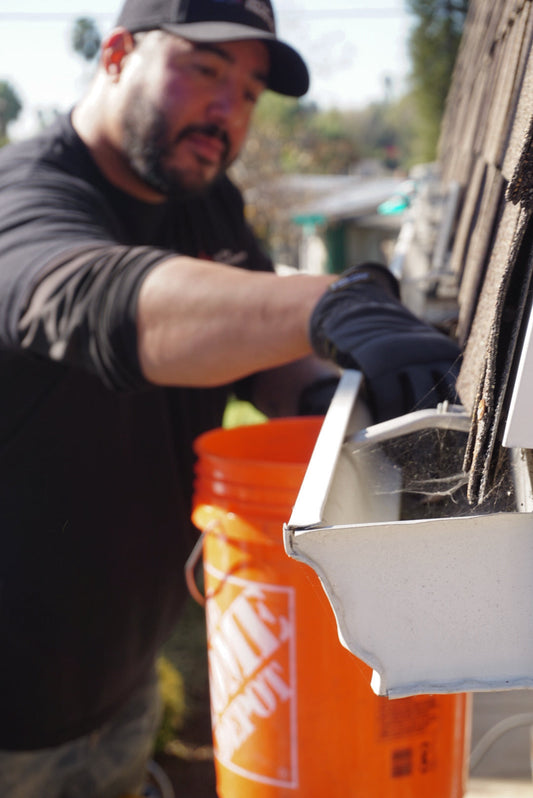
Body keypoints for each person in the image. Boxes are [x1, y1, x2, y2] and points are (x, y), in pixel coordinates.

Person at [0, 0, 461, 795]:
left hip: (123, 676)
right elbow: (100, 302)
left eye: (249, 92)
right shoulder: (27, 196)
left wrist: (337, 407)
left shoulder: (202, 201)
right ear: (114, 56)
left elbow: (267, 359)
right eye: (206, 69)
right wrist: (330, 303)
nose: (228, 109)